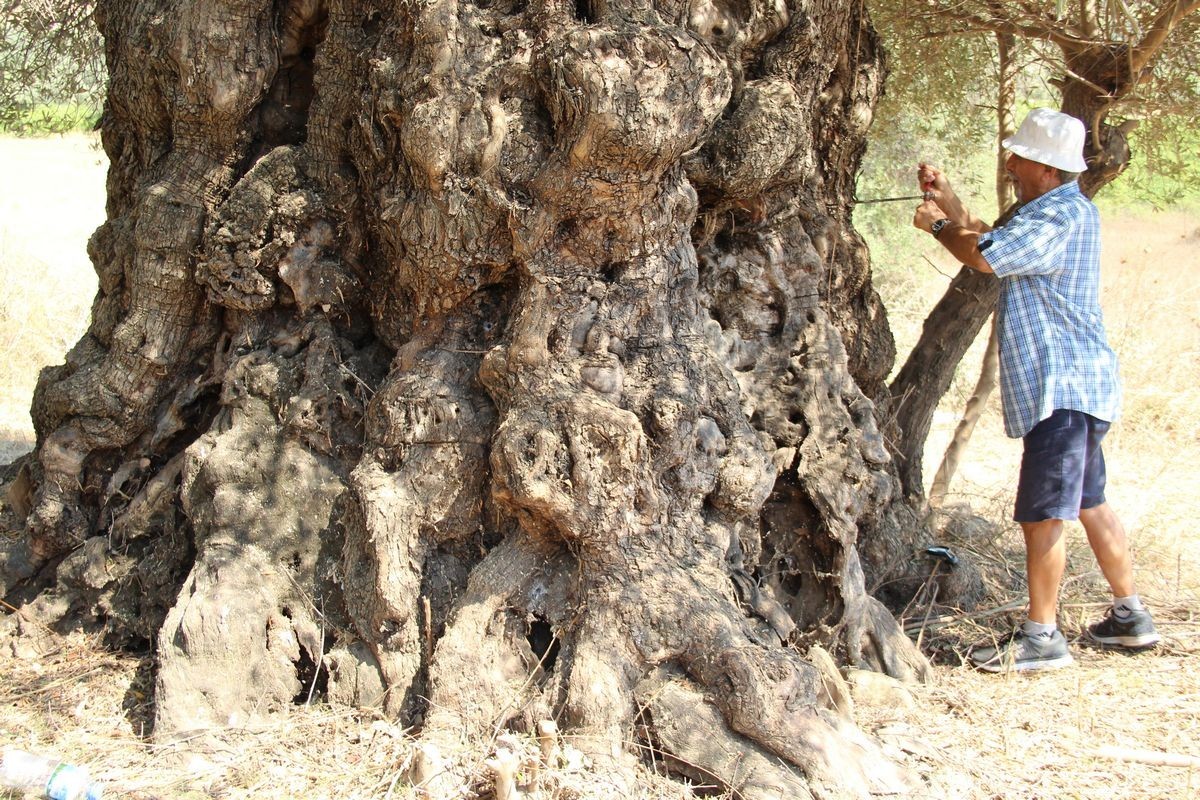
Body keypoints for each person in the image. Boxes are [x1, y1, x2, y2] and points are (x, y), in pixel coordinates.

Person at [912, 108, 1160, 673]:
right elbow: (991, 237)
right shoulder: (1051, 211)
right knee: (1090, 502)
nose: (1012, 163)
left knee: (1044, 513)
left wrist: (937, 227)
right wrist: (949, 203)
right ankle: (1130, 617)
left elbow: (983, 255)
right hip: (1080, 386)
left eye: (1020, 156)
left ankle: (1042, 638)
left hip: (1063, 388)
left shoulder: (1059, 218)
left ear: (1047, 168)